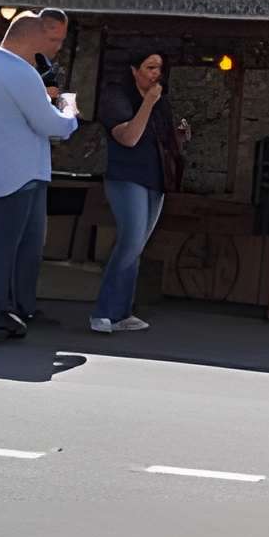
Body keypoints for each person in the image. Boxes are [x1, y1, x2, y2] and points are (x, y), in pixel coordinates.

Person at [0, 9, 74, 342]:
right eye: (47, 39)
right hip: (17, 174)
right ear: (32, 38)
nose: (50, 48)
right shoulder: (20, 72)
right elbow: (51, 125)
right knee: (2, 249)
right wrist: (69, 109)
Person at [90, 49, 176, 334]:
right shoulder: (117, 97)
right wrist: (148, 103)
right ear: (133, 70)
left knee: (137, 245)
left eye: (159, 68)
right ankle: (103, 312)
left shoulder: (161, 101)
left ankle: (122, 312)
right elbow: (129, 138)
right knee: (129, 242)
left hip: (155, 179)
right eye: (150, 67)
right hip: (126, 177)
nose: (156, 74)